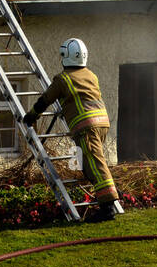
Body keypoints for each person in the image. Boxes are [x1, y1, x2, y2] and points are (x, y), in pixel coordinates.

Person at [23, 38, 122, 222]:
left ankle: (108, 207)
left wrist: (32, 115)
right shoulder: (91, 75)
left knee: (94, 163)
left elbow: (46, 99)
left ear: (65, 56)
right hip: (102, 122)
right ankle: (109, 194)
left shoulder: (63, 79)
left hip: (86, 126)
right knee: (88, 162)